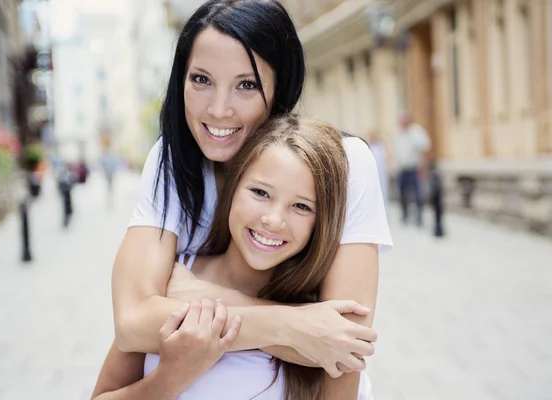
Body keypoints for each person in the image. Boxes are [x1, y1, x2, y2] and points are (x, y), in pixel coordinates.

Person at [110, 0, 393, 397]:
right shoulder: (173, 159)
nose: (219, 109)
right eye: (201, 80)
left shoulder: (344, 163)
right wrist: (292, 326)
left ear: (280, 88)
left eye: (246, 85)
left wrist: (198, 297)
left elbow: (342, 343)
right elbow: (132, 321)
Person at [93, 116, 372, 400]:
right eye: (260, 192)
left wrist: (207, 297)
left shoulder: (324, 320)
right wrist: (170, 377)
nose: (273, 220)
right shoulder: (167, 279)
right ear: (234, 187)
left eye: (301, 206)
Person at [394, 113, 431, 226]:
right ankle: (405, 215)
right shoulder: (399, 133)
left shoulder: (416, 132)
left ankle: (419, 216)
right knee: (402, 193)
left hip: (414, 167)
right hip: (402, 168)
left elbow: (426, 146)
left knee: (417, 193)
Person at [367, 130, 389, 206]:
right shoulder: (369, 147)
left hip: (381, 172)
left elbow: (383, 159)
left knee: (383, 191)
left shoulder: (380, 146)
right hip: (372, 173)